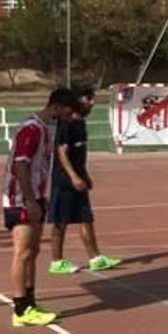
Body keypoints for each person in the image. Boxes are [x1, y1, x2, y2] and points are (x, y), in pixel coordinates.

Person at [3, 87, 77, 327]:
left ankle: (30, 302)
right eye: (67, 112)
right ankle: (20, 308)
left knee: (33, 252)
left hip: (36, 195)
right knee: (23, 252)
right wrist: (30, 199)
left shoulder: (45, 130)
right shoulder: (31, 129)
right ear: (56, 107)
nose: (70, 117)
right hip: (21, 197)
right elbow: (20, 166)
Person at [48, 85, 122, 276]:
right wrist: (73, 177)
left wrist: (85, 175)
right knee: (61, 221)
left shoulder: (81, 123)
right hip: (64, 180)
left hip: (79, 178)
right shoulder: (67, 124)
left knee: (85, 217)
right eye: (88, 99)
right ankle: (56, 261)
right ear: (77, 100)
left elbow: (79, 155)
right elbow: (61, 153)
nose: (92, 103)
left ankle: (96, 258)